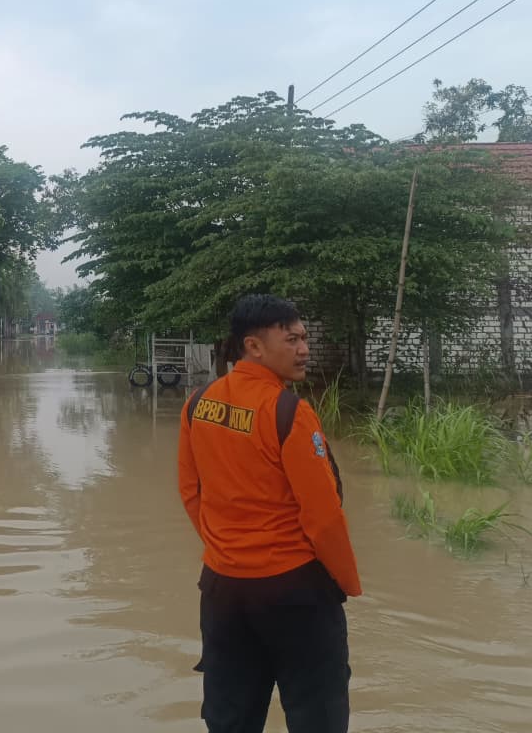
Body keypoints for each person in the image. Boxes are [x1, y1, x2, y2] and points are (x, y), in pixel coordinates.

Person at [178, 294, 361, 733]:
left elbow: (190, 491)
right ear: (253, 346)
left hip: (222, 591)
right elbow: (324, 515)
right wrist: (346, 584)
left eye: (304, 338)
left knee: (230, 717)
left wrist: (227, 549)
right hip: (294, 591)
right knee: (317, 715)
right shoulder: (289, 412)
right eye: (292, 339)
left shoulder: (198, 403)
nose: (304, 350)